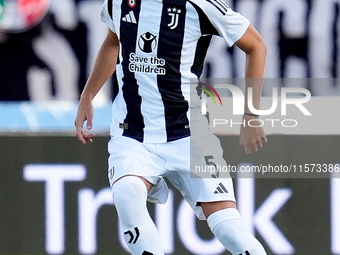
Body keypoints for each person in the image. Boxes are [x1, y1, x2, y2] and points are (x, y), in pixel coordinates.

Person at [75, 0, 268, 254]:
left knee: (229, 229)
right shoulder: (118, 2)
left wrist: (250, 114)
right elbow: (114, 40)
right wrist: (88, 96)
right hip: (132, 132)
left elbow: (256, 46)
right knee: (127, 196)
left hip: (189, 135)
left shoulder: (201, 6)